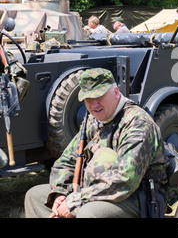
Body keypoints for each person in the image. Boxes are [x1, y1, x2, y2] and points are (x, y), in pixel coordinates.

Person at [24, 68, 166, 218]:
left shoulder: (138, 123)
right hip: (96, 191)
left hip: (137, 196)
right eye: (88, 100)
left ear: (116, 93)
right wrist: (61, 193)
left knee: (88, 213)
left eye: (99, 96)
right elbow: (66, 161)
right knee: (35, 197)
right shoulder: (93, 121)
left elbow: (124, 179)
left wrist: (77, 200)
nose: (94, 105)